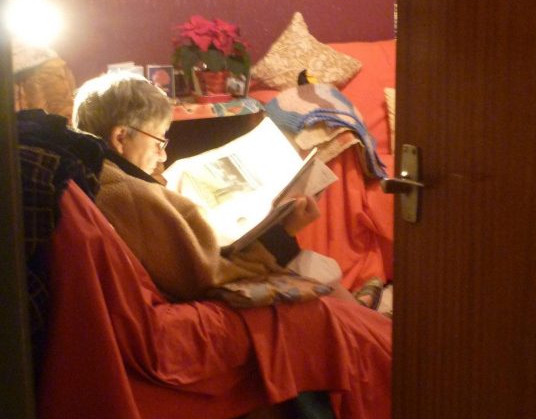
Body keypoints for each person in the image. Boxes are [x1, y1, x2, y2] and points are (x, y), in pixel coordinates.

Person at [71, 71, 349, 302]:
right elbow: (208, 275)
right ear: (121, 138)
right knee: (326, 284)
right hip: (217, 286)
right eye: (158, 142)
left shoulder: (91, 171)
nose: (163, 156)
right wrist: (283, 233)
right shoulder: (125, 192)